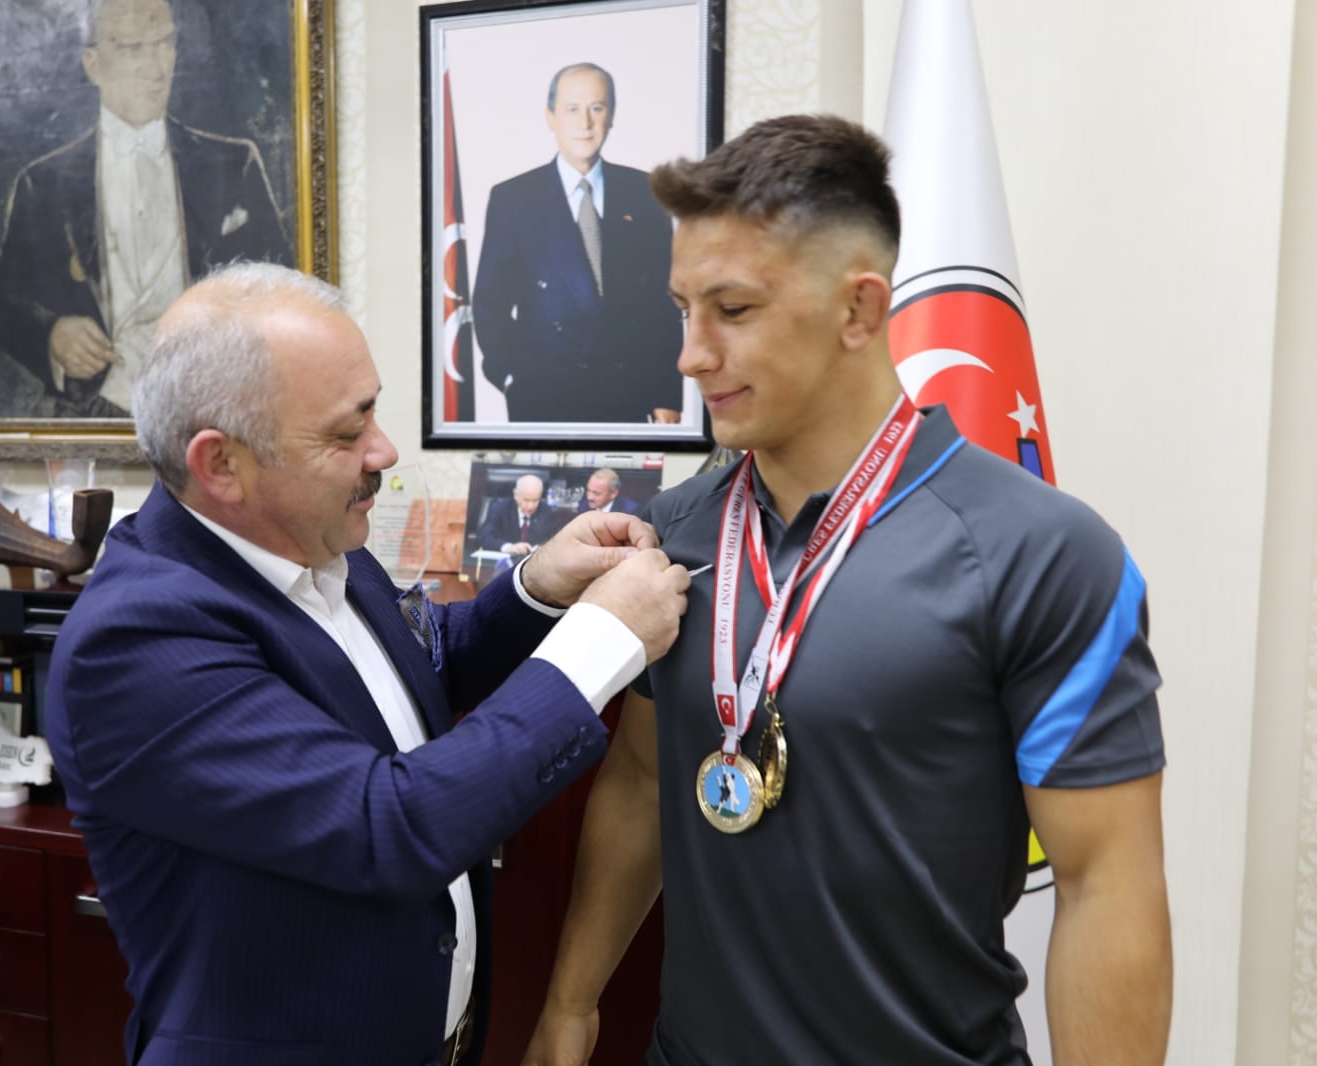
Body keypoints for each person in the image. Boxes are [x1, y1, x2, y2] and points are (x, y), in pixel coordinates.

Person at [523, 115, 1171, 1066]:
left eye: (732, 310)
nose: (690, 355)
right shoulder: (673, 532)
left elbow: (1104, 884)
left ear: (860, 312)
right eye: (682, 308)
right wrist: (570, 1004)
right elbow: (643, 778)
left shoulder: (1043, 555)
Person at [43, 261, 691, 1065]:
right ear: (221, 465)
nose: (382, 450)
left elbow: (412, 672)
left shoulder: (313, 540)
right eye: (346, 435)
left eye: (372, 412)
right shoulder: (137, 641)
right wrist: (601, 641)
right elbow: (388, 824)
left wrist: (539, 588)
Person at [0, 0, 289, 419]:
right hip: (93, 413)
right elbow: (3, 307)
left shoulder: (235, 164)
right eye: (133, 48)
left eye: (165, 43)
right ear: (93, 65)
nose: (156, 68)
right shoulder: (42, 184)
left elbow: (283, 291)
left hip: (212, 413)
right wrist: (53, 336)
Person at [472, 62, 683, 424]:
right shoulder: (514, 198)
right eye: (572, 109)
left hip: (627, 397)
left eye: (596, 108)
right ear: (550, 117)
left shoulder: (645, 192)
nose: (585, 122)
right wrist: (509, 378)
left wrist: (666, 393)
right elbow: (490, 303)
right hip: (542, 396)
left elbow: (663, 303)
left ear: (611, 116)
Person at [476, 473, 561, 556]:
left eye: (535, 500)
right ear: (515, 494)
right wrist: (509, 547)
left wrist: (542, 548)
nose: (530, 506)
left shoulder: (546, 511)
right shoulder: (500, 508)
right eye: (526, 500)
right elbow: (484, 537)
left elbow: (556, 541)